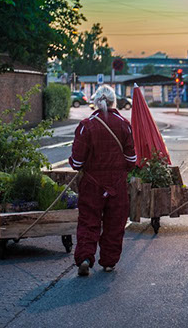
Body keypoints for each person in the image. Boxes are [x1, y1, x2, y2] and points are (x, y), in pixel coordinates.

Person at [69, 85, 137, 276]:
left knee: (88, 221)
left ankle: (84, 257)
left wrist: (76, 164)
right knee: (115, 224)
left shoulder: (86, 126)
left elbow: (77, 161)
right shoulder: (124, 124)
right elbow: (132, 160)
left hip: (91, 184)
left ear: (96, 102)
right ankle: (108, 262)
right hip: (117, 184)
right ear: (114, 101)